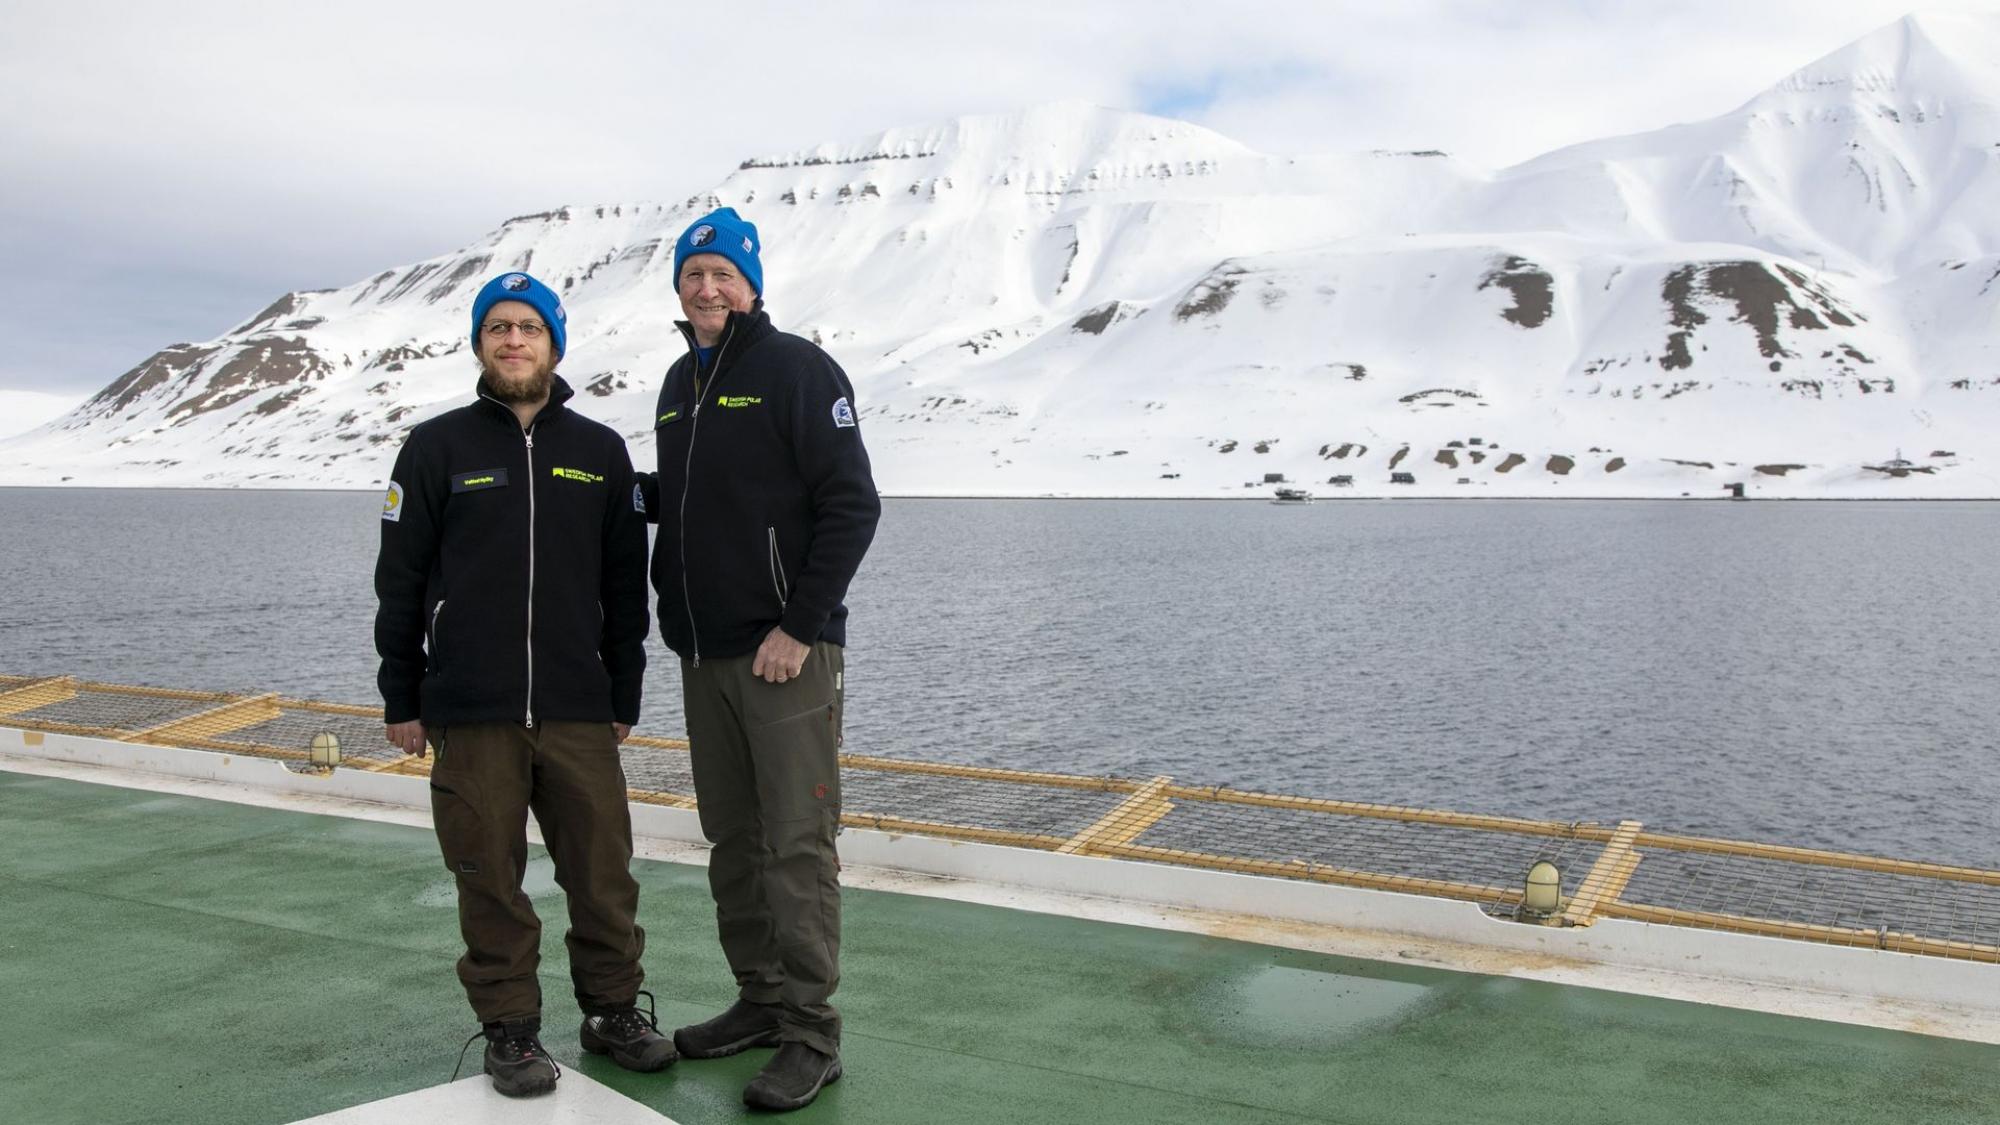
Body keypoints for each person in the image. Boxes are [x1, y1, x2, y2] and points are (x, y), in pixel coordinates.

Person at [374, 271, 673, 1097]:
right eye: (498, 327)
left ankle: (612, 1011)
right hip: (471, 709)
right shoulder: (435, 449)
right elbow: (399, 580)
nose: (513, 340)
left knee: (603, 872)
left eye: (529, 328)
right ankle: (511, 1031)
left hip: (579, 705)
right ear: (479, 343)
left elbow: (625, 586)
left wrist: (624, 694)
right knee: (489, 875)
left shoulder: (598, 451)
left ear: (554, 343)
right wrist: (403, 694)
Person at [643, 208, 880, 1111]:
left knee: (794, 842)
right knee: (733, 839)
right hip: (704, 654)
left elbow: (852, 504)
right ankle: (760, 999)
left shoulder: (797, 370)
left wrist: (798, 624)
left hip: (786, 654)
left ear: (752, 284)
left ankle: (813, 1035)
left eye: (723, 274)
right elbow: (695, 496)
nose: (708, 288)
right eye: (693, 273)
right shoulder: (679, 381)